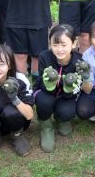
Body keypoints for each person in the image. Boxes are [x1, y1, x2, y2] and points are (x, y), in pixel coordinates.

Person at [35, 24, 83, 152]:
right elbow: (39, 81)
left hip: (65, 96)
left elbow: (77, 88)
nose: (59, 49)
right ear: (50, 44)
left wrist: (68, 89)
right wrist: (49, 85)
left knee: (67, 112)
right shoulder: (44, 57)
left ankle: (61, 118)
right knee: (44, 101)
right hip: (46, 93)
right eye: (55, 45)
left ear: (73, 44)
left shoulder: (79, 61)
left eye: (64, 45)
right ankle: (46, 126)